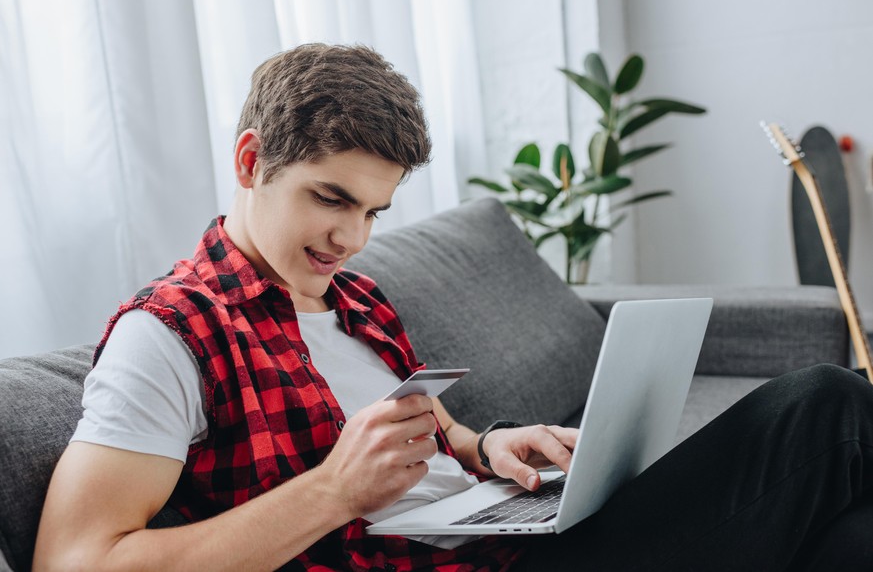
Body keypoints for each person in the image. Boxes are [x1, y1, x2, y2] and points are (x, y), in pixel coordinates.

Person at [33, 43, 873, 572]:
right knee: (824, 406)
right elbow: (71, 558)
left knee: (846, 539)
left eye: (372, 211)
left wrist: (490, 444)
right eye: (330, 198)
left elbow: (432, 442)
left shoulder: (354, 298)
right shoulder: (169, 335)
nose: (351, 237)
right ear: (252, 161)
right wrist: (330, 492)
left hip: (503, 540)